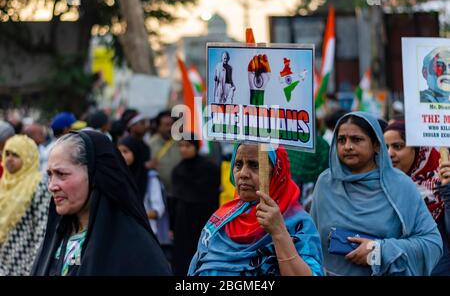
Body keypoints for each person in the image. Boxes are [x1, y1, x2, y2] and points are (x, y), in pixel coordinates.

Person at [310, 112, 443, 276]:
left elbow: (432, 243)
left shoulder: (400, 186)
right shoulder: (325, 183)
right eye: (341, 140)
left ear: (376, 145)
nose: (348, 146)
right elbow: (312, 241)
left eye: (356, 139)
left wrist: (379, 251)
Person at [32, 130, 172, 275]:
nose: (52, 186)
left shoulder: (134, 246)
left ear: (94, 175)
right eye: (50, 175)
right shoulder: (57, 237)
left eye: (61, 174)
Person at [188, 143, 324, 276]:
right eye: (238, 164)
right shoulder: (221, 218)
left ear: (277, 171)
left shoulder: (298, 224)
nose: (243, 174)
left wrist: (279, 232)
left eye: (255, 165)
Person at [384, 120, 450, 275]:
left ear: (418, 150)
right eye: (385, 147)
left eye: (398, 146)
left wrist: (447, 189)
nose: (389, 154)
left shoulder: (441, 183)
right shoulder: (381, 186)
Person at [0, 135, 51, 275]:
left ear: (28, 157)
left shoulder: (38, 184)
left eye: (15, 155)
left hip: (25, 264)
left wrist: (36, 268)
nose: (9, 159)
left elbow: (42, 230)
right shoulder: (4, 183)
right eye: (7, 153)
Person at [172, 138, 220, 275]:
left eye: (187, 146)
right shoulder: (178, 170)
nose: (183, 149)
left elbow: (213, 194)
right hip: (183, 220)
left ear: (196, 147)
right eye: (181, 146)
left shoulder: (209, 168)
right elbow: (175, 198)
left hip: (204, 218)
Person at [117, 136, 169, 244]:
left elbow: (158, 210)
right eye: (119, 151)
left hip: (145, 233)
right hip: (123, 233)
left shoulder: (150, 178)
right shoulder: (118, 176)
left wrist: (133, 213)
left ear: (136, 152)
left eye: (125, 151)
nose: (121, 155)